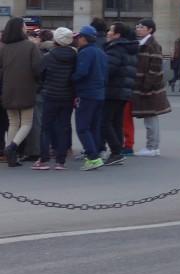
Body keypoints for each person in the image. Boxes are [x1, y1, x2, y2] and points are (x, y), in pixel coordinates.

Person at [0, 16, 44, 167]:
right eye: (24, 25)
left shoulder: (4, 47)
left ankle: (12, 156)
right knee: (26, 122)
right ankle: (12, 147)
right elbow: (38, 68)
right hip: (26, 88)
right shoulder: (30, 46)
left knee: (13, 122)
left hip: (7, 89)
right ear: (21, 28)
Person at [34, 29, 78, 170]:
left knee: (46, 128)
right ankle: (61, 161)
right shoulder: (75, 56)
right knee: (64, 127)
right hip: (67, 96)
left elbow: (40, 75)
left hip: (50, 95)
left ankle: (45, 160)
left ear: (56, 40)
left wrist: (42, 88)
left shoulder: (48, 56)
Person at [99, 21, 137, 166]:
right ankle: (118, 151)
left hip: (113, 90)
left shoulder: (115, 49)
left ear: (117, 35)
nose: (108, 33)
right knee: (116, 121)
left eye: (111, 31)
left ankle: (116, 151)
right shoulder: (129, 48)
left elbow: (109, 70)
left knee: (104, 121)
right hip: (124, 90)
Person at [70, 25, 108, 171]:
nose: (77, 40)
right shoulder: (101, 52)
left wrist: (70, 79)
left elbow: (81, 72)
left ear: (83, 38)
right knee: (94, 127)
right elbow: (105, 75)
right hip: (100, 94)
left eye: (78, 37)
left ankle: (92, 157)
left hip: (86, 94)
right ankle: (96, 154)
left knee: (82, 127)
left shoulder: (85, 53)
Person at [132, 18, 170, 156]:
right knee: (149, 116)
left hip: (149, 88)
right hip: (145, 87)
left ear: (150, 30)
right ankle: (152, 146)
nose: (138, 29)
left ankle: (152, 147)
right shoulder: (142, 44)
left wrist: (146, 86)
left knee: (150, 116)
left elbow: (155, 69)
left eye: (141, 27)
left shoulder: (152, 45)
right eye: (137, 26)